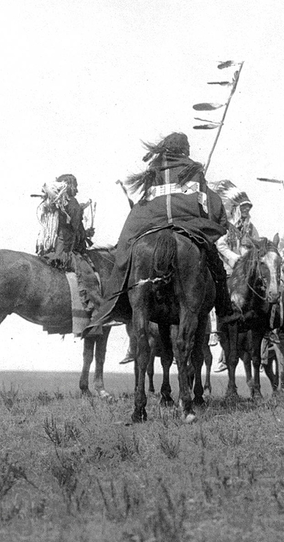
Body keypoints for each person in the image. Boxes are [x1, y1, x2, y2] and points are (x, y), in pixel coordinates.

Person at [82, 132, 233, 361]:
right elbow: (210, 206)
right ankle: (224, 308)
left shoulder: (153, 170)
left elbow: (145, 202)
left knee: (127, 250)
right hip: (186, 225)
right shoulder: (193, 169)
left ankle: (120, 301)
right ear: (184, 149)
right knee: (215, 262)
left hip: (152, 224)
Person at [211, 182, 260, 372]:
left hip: (246, 271)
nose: (246, 209)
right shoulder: (227, 227)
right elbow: (220, 245)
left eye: (249, 207)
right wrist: (237, 259)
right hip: (229, 269)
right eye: (244, 206)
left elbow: (256, 245)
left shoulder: (251, 228)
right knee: (219, 297)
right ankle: (215, 331)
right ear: (237, 208)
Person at [36, 174, 93, 270]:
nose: (77, 190)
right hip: (67, 251)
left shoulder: (57, 205)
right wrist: (85, 233)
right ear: (69, 186)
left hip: (56, 248)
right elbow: (75, 230)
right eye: (76, 186)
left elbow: (67, 227)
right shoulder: (72, 203)